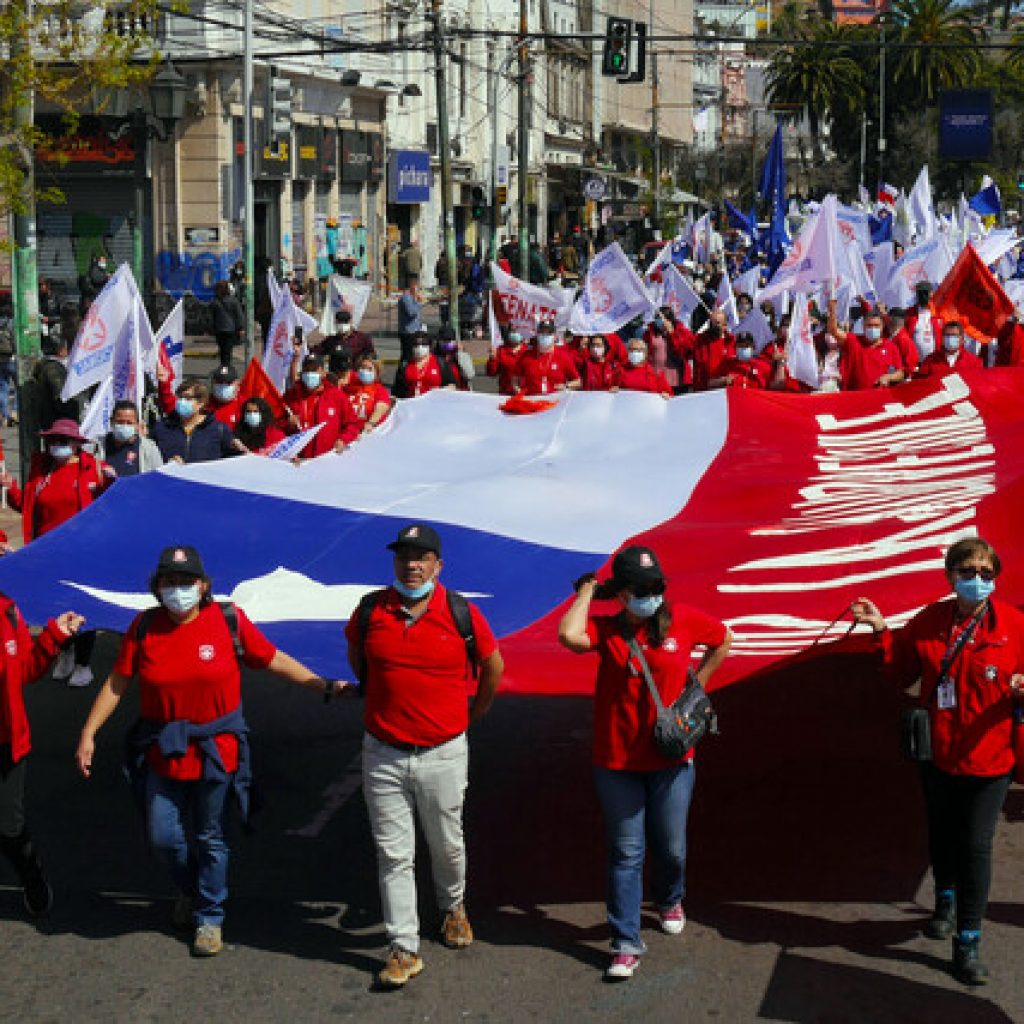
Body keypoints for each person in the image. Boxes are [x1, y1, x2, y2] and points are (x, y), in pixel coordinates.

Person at [75, 545, 345, 956]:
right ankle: (191, 889)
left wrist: (321, 685)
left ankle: (209, 916)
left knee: (210, 835)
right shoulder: (144, 627)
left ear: (203, 586)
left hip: (217, 751)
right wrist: (88, 733)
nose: (178, 590)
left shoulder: (229, 621)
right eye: (169, 582)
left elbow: (273, 658)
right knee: (163, 836)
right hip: (163, 751)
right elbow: (117, 683)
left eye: (186, 582)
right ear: (157, 587)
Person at [851, 537, 1024, 986]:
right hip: (939, 755)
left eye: (987, 573)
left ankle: (967, 941)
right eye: (968, 572)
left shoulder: (1015, 627)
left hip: (991, 761)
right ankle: (945, 901)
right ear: (950, 575)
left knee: (976, 846)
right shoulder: (928, 621)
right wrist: (880, 632)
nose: (978, 581)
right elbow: (900, 673)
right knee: (943, 835)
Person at [558, 546, 731, 981]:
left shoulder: (685, 619)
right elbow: (568, 636)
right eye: (640, 588)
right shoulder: (608, 630)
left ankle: (670, 897)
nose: (651, 595)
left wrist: (697, 688)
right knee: (626, 851)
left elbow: (723, 639)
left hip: (672, 759)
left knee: (671, 845)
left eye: (656, 587)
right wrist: (586, 593)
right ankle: (625, 943)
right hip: (616, 762)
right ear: (621, 593)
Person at [345, 524, 503, 988]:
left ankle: (452, 906)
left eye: (421, 557)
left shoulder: (461, 613)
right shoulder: (373, 608)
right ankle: (402, 946)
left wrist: (474, 714)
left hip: (443, 752)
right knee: (393, 853)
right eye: (404, 557)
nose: (411, 565)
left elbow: (493, 667)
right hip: (384, 752)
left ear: (438, 565)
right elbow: (358, 656)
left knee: (445, 844)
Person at [1, 419, 113, 688]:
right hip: (48, 552)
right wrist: (12, 486)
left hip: (82, 552)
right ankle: (65, 651)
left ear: (76, 445)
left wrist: (110, 483)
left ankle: (84, 663)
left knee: (80, 605)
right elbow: (27, 506)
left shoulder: (92, 470)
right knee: (55, 604)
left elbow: (108, 505)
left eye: (63, 441)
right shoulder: (42, 470)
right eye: (52, 441)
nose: (57, 446)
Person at [0, 597, 84, 916]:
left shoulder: (8, 609)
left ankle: (31, 876)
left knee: (8, 827)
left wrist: (53, 637)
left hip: (7, 742)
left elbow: (26, 669)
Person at [283, 354, 361, 457]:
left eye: (315, 370)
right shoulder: (291, 396)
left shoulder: (336, 396)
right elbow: (277, 424)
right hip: (297, 461)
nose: (310, 374)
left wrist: (343, 440)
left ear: (323, 373)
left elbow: (353, 424)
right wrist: (288, 423)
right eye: (307, 370)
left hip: (325, 460)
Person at [153, 380, 241, 464]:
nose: (181, 401)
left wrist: (241, 451)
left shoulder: (219, 430)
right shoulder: (162, 428)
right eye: (179, 397)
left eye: (187, 398)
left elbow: (233, 461)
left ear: (201, 403)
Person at [828, 302, 906, 390]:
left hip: (879, 397)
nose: (873, 329)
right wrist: (832, 310)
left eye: (876, 326)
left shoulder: (891, 347)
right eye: (869, 326)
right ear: (863, 326)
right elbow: (833, 330)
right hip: (854, 396)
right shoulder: (853, 341)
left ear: (882, 326)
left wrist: (888, 377)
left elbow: (900, 373)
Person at [95, 401, 164, 477]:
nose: (124, 426)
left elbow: (159, 479)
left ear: (137, 425)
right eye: (120, 422)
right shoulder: (96, 446)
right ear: (111, 421)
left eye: (129, 423)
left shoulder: (149, 448)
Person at [514, 322, 580, 396]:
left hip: (556, 401)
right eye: (542, 333)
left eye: (549, 333)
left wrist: (566, 386)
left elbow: (577, 381)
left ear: (555, 336)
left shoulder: (563, 356)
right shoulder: (526, 356)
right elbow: (515, 379)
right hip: (532, 400)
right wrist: (518, 391)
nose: (545, 336)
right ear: (537, 335)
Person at [392, 330, 456, 398]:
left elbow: (452, 385)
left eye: (424, 344)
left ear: (429, 346)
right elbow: (397, 391)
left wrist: (440, 393)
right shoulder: (405, 365)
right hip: (411, 405)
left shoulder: (440, 363)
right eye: (416, 344)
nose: (420, 347)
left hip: (435, 404)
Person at [914, 321, 983, 381]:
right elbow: (919, 384)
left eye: (954, 335)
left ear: (962, 339)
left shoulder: (974, 362)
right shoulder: (930, 360)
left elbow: (978, 385)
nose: (950, 338)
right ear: (942, 338)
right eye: (947, 335)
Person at [345, 353, 392, 434]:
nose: (365, 371)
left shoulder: (380, 390)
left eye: (370, 369)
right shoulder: (349, 387)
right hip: (346, 431)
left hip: (365, 432)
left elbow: (380, 408)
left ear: (376, 373)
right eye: (363, 367)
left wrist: (370, 423)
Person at [209, 280, 245, 369]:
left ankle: (223, 367)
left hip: (219, 329)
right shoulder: (234, 301)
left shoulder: (215, 302)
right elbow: (239, 315)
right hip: (231, 329)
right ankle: (227, 368)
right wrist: (241, 328)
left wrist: (211, 328)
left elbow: (211, 317)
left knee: (222, 350)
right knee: (228, 351)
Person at [485, 327, 524, 396]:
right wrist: (492, 359)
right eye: (512, 331)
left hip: (525, 393)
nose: (514, 333)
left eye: (516, 331)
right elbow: (491, 373)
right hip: (506, 393)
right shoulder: (501, 350)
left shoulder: (528, 350)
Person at [208, 365, 244, 429]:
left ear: (237, 384)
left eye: (228, 383)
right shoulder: (204, 404)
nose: (223, 386)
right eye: (219, 382)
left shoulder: (245, 406)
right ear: (212, 383)